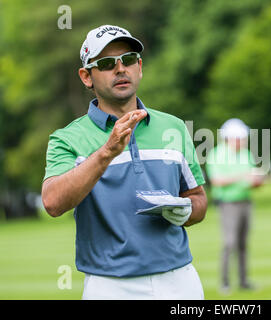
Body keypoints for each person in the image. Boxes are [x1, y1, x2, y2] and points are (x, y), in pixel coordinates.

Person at [41, 25, 207, 300]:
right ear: (86, 76)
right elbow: (53, 203)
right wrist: (107, 152)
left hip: (180, 280)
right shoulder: (66, 138)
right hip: (110, 285)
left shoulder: (174, 127)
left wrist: (185, 211)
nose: (120, 69)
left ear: (139, 66)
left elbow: (198, 199)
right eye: (106, 63)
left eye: (128, 60)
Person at [205, 118, 264, 294]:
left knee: (243, 243)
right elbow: (217, 181)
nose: (242, 141)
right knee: (230, 243)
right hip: (228, 203)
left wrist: (256, 182)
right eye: (239, 138)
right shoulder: (217, 154)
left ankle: (244, 281)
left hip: (246, 200)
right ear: (229, 138)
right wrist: (242, 177)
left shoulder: (245, 154)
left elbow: (251, 177)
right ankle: (225, 282)